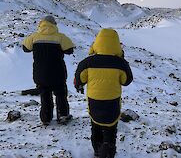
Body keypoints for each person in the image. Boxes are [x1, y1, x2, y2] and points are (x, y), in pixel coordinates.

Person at [74, 28, 133, 158]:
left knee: (95, 125)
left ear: (97, 42)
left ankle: (97, 149)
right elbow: (127, 81)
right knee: (111, 127)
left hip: (94, 100)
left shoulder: (86, 62)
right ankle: (109, 150)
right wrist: (121, 59)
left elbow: (79, 80)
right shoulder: (121, 63)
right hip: (113, 101)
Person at [23, 15, 74, 125]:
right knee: (60, 94)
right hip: (58, 73)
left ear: (41, 24)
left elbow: (25, 48)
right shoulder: (60, 37)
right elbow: (70, 50)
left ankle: (45, 118)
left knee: (45, 95)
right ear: (54, 24)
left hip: (40, 74)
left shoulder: (34, 37)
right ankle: (63, 115)